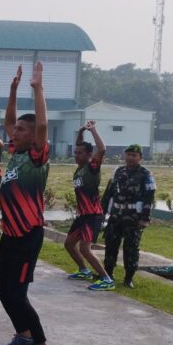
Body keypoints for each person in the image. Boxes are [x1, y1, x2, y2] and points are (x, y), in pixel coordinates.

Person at [0, 63, 56, 345]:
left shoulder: (36, 156)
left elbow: (42, 127)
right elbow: (8, 119)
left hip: (28, 235)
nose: (13, 131)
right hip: (11, 235)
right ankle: (24, 335)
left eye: (20, 129)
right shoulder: (17, 153)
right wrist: (13, 90)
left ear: (33, 137)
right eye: (15, 129)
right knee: (1, 288)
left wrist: (37, 89)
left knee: (17, 294)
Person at [65, 120, 114, 291]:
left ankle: (106, 279)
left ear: (88, 155)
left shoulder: (92, 167)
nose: (76, 155)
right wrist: (80, 131)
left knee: (85, 249)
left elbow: (102, 149)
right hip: (82, 216)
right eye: (75, 152)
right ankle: (84, 270)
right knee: (69, 244)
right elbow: (79, 143)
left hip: (93, 215)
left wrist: (93, 130)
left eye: (79, 153)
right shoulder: (79, 169)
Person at [100, 144, 156, 289]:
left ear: (140, 158)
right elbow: (108, 193)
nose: (130, 158)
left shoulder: (146, 174)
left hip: (133, 218)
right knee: (111, 245)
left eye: (134, 155)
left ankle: (128, 278)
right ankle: (108, 274)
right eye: (128, 155)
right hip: (116, 216)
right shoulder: (118, 171)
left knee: (131, 248)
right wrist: (102, 212)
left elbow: (149, 198)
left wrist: (145, 218)